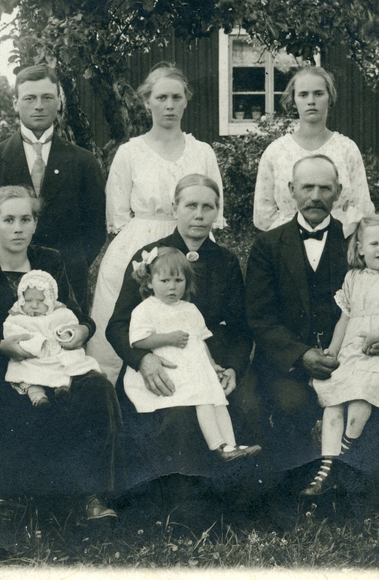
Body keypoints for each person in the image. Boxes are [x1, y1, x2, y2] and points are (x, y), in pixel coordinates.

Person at [0, 186, 121, 522]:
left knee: (97, 389)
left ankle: (93, 495)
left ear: (35, 223)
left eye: (26, 219)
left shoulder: (49, 261)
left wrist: (81, 331)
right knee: (19, 408)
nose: (18, 228)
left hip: (56, 363)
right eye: (9, 220)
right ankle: (36, 499)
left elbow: (77, 314)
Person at [244, 154, 379, 485]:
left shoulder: (360, 242)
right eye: (307, 187)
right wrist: (301, 355)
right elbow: (259, 317)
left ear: (338, 192)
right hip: (291, 364)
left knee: (375, 405)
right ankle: (298, 488)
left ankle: (359, 490)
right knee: (290, 406)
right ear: (291, 190)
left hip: (357, 357)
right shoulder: (268, 245)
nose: (315, 197)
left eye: (324, 188)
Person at [105, 173, 256, 492]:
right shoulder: (149, 256)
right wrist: (143, 360)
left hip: (207, 361)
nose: (199, 215)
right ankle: (176, 502)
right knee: (177, 416)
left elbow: (241, 330)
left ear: (217, 212)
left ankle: (231, 500)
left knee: (246, 406)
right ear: (175, 208)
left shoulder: (226, 261)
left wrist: (232, 368)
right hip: (157, 362)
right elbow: (117, 325)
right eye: (190, 206)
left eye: (207, 207)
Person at [88, 63, 225, 384]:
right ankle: (118, 389)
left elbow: (214, 207)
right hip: (139, 244)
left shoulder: (202, 152)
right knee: (133, 320)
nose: (169, 105)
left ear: (186, 101)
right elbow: (117, 213)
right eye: (161, 97)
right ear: (147, 101)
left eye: (176, 97)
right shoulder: (129, 152)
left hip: (192, 243)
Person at [0, 64, 107, 313]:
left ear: (59, 102)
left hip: (66, 284)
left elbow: (95, 231)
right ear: (15, 103)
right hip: (4, 282)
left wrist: (71, 265)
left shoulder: (84, 162)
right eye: (30, 98)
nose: (39, 106)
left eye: (47, 97)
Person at [302, 214, 379, 497]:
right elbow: (345, 319)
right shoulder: (353, 278)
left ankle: (345, 448)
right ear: (359, 249)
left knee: (361, 395)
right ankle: (327, 464)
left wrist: (378, 334)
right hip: (353, 351)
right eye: (374, 244)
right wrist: (333, 350)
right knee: (333, 401)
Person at [123, 247, 261, 462]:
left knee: (218, 400)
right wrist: (168, 338)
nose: (172, 287)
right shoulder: (145, 309)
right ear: (150, 282)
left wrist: (212, 364)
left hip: (194, 366)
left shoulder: (190, 308)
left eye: (178, 280)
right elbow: (138, 340)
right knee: (204, 398)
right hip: (171, 368)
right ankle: (218, 446)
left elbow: (199, 340)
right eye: (165, 281)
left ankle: (231, 444)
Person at [253, 66, 375, 235]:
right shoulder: (276, 152)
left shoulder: (346, 149)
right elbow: (263, 215)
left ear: (330, 98)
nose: (311, 101)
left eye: (318, 94)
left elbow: (362, 209)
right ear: (294, 100)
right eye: (303, 95)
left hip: (339, 241)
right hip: (287, 243)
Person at [2, 269, 101, 407]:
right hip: (31, 358)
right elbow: (11, 331)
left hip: (56, 355)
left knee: (68, 368)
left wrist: (67, 334)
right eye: (28, 300)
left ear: (50, 300)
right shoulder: (17, 317)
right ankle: (38, 398)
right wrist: (33, 343)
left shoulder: (60, 313)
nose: (33, 305)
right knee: (28, 376)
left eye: (40, 301)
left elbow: (71, 324)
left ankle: (63, 389)